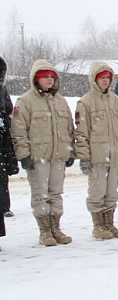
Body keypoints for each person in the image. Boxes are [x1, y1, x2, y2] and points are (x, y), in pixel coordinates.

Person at [11, 60, 76, 246]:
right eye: (45, 77)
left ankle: (56, 227)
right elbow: (18, 131)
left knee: (56, 193)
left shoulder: (61, 101)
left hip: (58, 156)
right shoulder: (25, 102)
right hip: (38, 157)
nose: (49, 80)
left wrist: (70, 151)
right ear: (36, 79)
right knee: (40, 194)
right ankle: (44, 230)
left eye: (51, 77)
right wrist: (23, 154)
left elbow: (69, 128)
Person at [74, 61, 118, 239]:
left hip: (114, 155)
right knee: (97, 192)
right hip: (96, 157)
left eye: (107, 77)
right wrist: (83, 156)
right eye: (101, 78)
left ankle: (109, 223)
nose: (105, 81)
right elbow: (81, 132)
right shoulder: (85, 103)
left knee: (112, 192)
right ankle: (98, 225)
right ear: (94, 80)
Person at [0, 56, 18, 218]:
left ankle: (4, 206)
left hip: (2, 136)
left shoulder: (2, 89)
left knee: (2, 175)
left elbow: (8, 109)